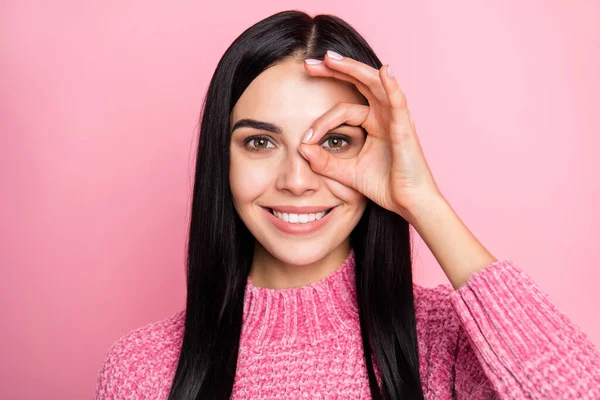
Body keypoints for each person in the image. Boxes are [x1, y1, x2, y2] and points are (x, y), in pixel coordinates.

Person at [94, 10, 600, 399]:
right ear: (219, 159)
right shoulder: (145, 369)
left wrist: (422, 199)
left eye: (335, 141)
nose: (296, 180)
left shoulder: (452, 343)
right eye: (260, 143)